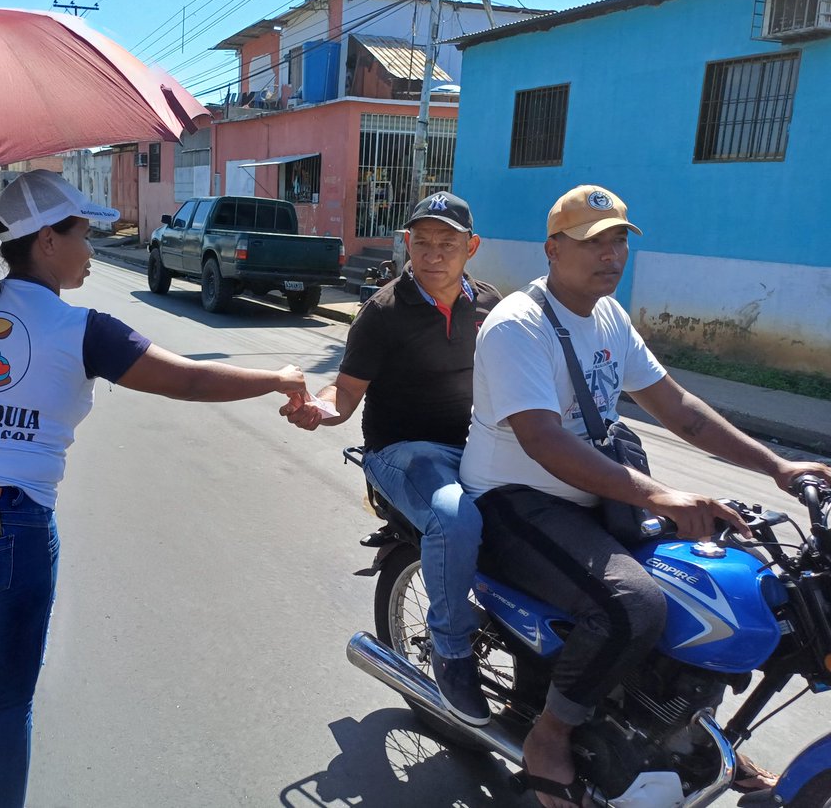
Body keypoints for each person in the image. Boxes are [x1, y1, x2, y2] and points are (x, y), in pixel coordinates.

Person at [0, 170, 306, 808]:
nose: (93, 247)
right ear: (47, 239)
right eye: (83, 232)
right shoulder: (83, 330)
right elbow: (185, 381)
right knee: (0, 702)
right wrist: (279, 378)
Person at [460, 184, 831, 808]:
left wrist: (779, 468)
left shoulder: (608, 317)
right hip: (517, 498)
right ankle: (549, 738)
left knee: (735, 577)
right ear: (553, 250)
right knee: (634, 605)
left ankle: (687, 732)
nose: (610, 256)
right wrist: (662, 495)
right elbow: (545, 442)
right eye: (592, 243)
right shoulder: (517, 326)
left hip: (591, 497)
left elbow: (679, 409)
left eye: (618, 243)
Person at [281, 192, 501, 726]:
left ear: (470, 247)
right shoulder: (382, 312)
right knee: (453, 516)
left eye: (447, 243)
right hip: (402, 453)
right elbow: (346, 393)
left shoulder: (492, 305)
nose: (433, 254)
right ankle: (450, 652)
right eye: (421, 242)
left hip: (477, 448)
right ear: (407, 244)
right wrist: (320, 410)